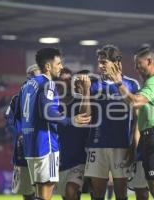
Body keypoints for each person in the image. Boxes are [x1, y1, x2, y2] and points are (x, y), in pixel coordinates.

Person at [19, 48, 91, 200]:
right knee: (46, 191)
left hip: (30, 146)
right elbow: (48, 112)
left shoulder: (27, 86)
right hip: (46, 145)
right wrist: (70, 120)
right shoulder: (49, 84)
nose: (61, 66)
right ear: (48, 66)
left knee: (39, 193)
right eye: (58, 63)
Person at [106, 46, 154, 200]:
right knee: (152, 188)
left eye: (138, 63)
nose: (135, 67)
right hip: (149, 137)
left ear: (149, 61)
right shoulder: (150, 82)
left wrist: (119, 83)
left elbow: (135, 102)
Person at [84, 44, 139, 200]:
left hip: (121, 146)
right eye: (99, 62)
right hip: (96, 145)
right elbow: (86, 116)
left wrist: (133, 146)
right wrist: (86, 93)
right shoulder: (93, 84)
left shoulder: (131, 84)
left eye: (104, 62)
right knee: (97, 193)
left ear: (116, 63)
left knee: (121, 193)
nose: (100, 66)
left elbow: (137, 118)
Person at [5, 64, 41, 200]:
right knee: (27, 192)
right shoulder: (17, 98)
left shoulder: (47, 96)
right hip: (23, 152)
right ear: (29, 76)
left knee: (44, 190)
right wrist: (19, 134)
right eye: (37, 76)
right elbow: (9, 122)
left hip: (43, 149)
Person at [56, 68, 91, 200]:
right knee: (68, 196)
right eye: (62, 80)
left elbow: (86, 118)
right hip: (60, 160)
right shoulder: (51, 105)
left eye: (69, 79)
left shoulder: (79, 101)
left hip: (79, 158)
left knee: (71, 190)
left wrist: (85, 94)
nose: (66, 82)